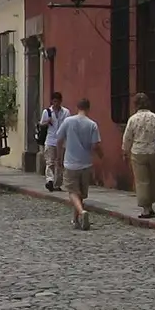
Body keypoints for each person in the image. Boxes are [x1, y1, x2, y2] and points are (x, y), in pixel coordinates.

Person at [55, 97, 101, 230]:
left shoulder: (68, 121)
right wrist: (100, 155)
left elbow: (59, 139)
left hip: (70, 162)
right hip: (86, 163)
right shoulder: (92, 124)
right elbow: (95, 145)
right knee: (80, 193)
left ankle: (81, 213)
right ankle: (75, 219)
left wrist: (59, 157)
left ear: (77, 107)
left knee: (72, 191)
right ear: (88, 108)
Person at [122, 93, 155, 218]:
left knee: (141, 180)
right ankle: (151, 205)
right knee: (153, 179)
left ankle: (145, 208)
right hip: (153, 151)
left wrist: (125, 151)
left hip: (138, 152)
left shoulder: (133, 119)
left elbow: (127, 138)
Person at [38, 92, 69, 192]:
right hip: (50, 140)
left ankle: (57, 184)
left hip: (62, 141)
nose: (56, 103)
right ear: (52, 101)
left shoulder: (66, 112)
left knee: (59, 163)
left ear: (61, 101)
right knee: (50, 162)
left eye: (58, 101)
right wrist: (47, 122)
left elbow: (68, 125)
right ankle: (50, 180)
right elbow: (41, 125)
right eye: (54, 101)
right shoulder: (47, 112)